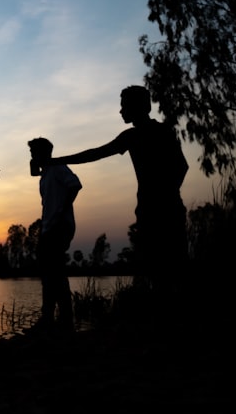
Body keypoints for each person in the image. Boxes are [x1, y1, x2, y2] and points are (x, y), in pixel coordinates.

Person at [38, 85, 189, 283]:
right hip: (152, 210)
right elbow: (95, 153)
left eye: (124, 106)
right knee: (155, 271)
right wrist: (54, 161)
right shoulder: (133, 136)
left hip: (163, 211)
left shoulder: (154, 133)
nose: (120, 111)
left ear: (138, 107)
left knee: (169, 270)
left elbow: (181, 167)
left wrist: (162, 195)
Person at [28, 137, 82, 332]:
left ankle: (63, 320)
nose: (32, 157)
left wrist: (61, 212)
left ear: (43, 153)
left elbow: (75, 184)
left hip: (59, 226)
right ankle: (51, 319)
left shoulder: (58, 167)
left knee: (55, 272)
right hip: (49, 227)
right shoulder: (46, 174)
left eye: (34, 153)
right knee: (49, 273)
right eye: (32, 153)